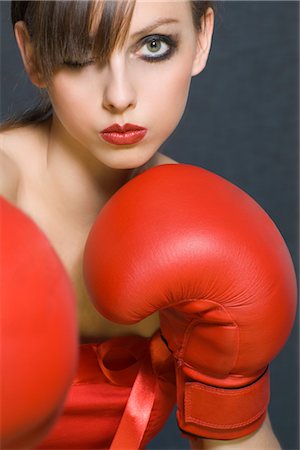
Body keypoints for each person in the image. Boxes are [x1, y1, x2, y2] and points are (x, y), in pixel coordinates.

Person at [0, 1, 297, 449]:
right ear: (32, 54)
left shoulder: (201, 235)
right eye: (81, 54)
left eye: (154, 46)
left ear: (202, 40)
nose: (119, 96)